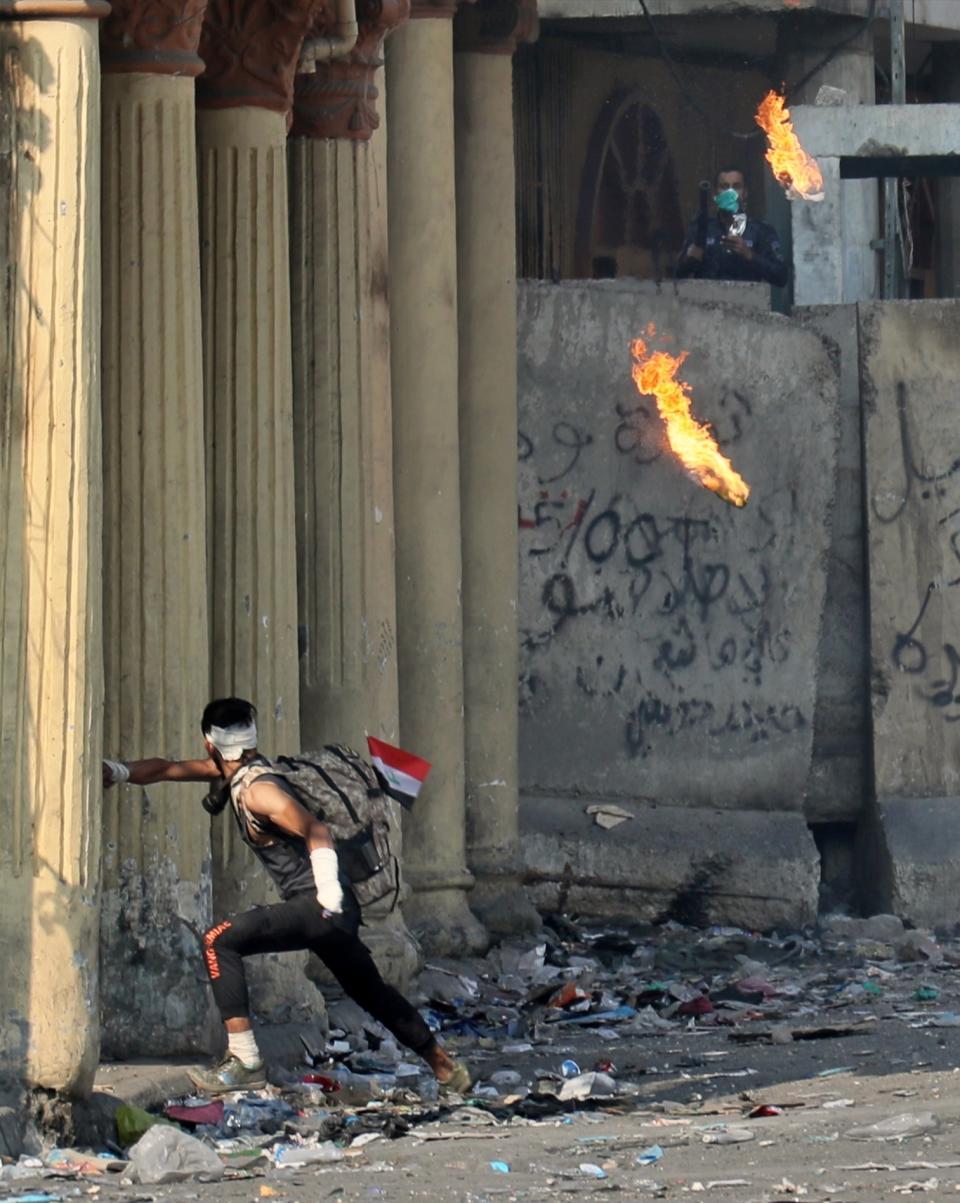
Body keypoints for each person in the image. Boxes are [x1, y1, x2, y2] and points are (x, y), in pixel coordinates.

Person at [102, 696, 470, 1096]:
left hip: (318, 904)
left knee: (218, 940)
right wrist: (117, 771)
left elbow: (318, 831)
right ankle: (447, 1067)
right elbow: (168, 768)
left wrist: (327, 897)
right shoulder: (246, 771)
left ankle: (244, 1060)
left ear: (210, 743)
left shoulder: (258, 790)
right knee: (370, 991)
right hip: (333, 910)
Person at [676, 165, 789, 288]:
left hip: (749, 303)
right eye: (724, 187)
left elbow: (781, 276)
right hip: (705, 303)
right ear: (715, 194)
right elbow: (677, 276)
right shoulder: (701, 229)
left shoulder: (761, 231)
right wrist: (692, 258)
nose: (730, 192)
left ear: (745, 193)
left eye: (736, 187)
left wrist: (749, 255)